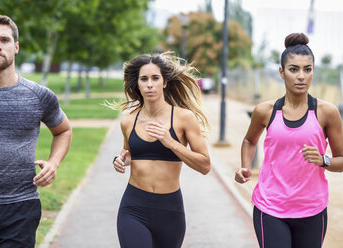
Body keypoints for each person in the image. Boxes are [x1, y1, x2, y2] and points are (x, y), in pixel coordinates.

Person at [0, 14, 72, 248]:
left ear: (15, 47)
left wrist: (53, 163)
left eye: (4, 40)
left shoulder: (39, 96)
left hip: (21, 205)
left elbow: (63, 130)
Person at [235, 32, 343, 248]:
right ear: (282, 72)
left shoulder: (327, 112)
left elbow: (341, 160)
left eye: (307, 69)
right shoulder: (265, 111)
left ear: (313, 72)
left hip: (312, 210)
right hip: (270, 207)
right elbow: (249, 140)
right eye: (294, 69)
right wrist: (245, 167)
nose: (301, 76)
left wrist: (324, 160)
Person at [112, 52, 211, 248]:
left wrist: (171, 142)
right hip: (134, 207)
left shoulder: (184, 118)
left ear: (164, 82)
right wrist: (121, 160)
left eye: (155, 78)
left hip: (170, 210)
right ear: (137, 84)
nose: (149, 84)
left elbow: (205, 165)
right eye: (144, 79)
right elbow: (130, 154)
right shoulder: (128, 121)